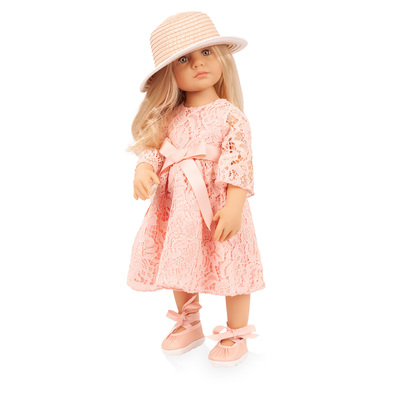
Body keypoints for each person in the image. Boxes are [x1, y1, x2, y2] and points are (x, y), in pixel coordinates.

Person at [126, 11, 266, 367]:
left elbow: (239, 163)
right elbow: (154, 148)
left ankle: (237, 331)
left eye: (206, 53)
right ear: (169, 75)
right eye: (183, 59)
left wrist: (234, 206)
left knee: (231, 262)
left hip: (220, 204)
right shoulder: (169, 116)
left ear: (221, 59)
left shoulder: (229, 115)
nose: (198, 64)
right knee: (180, 257)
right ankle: (189, 321)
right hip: (178, 208)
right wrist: (144, 168)